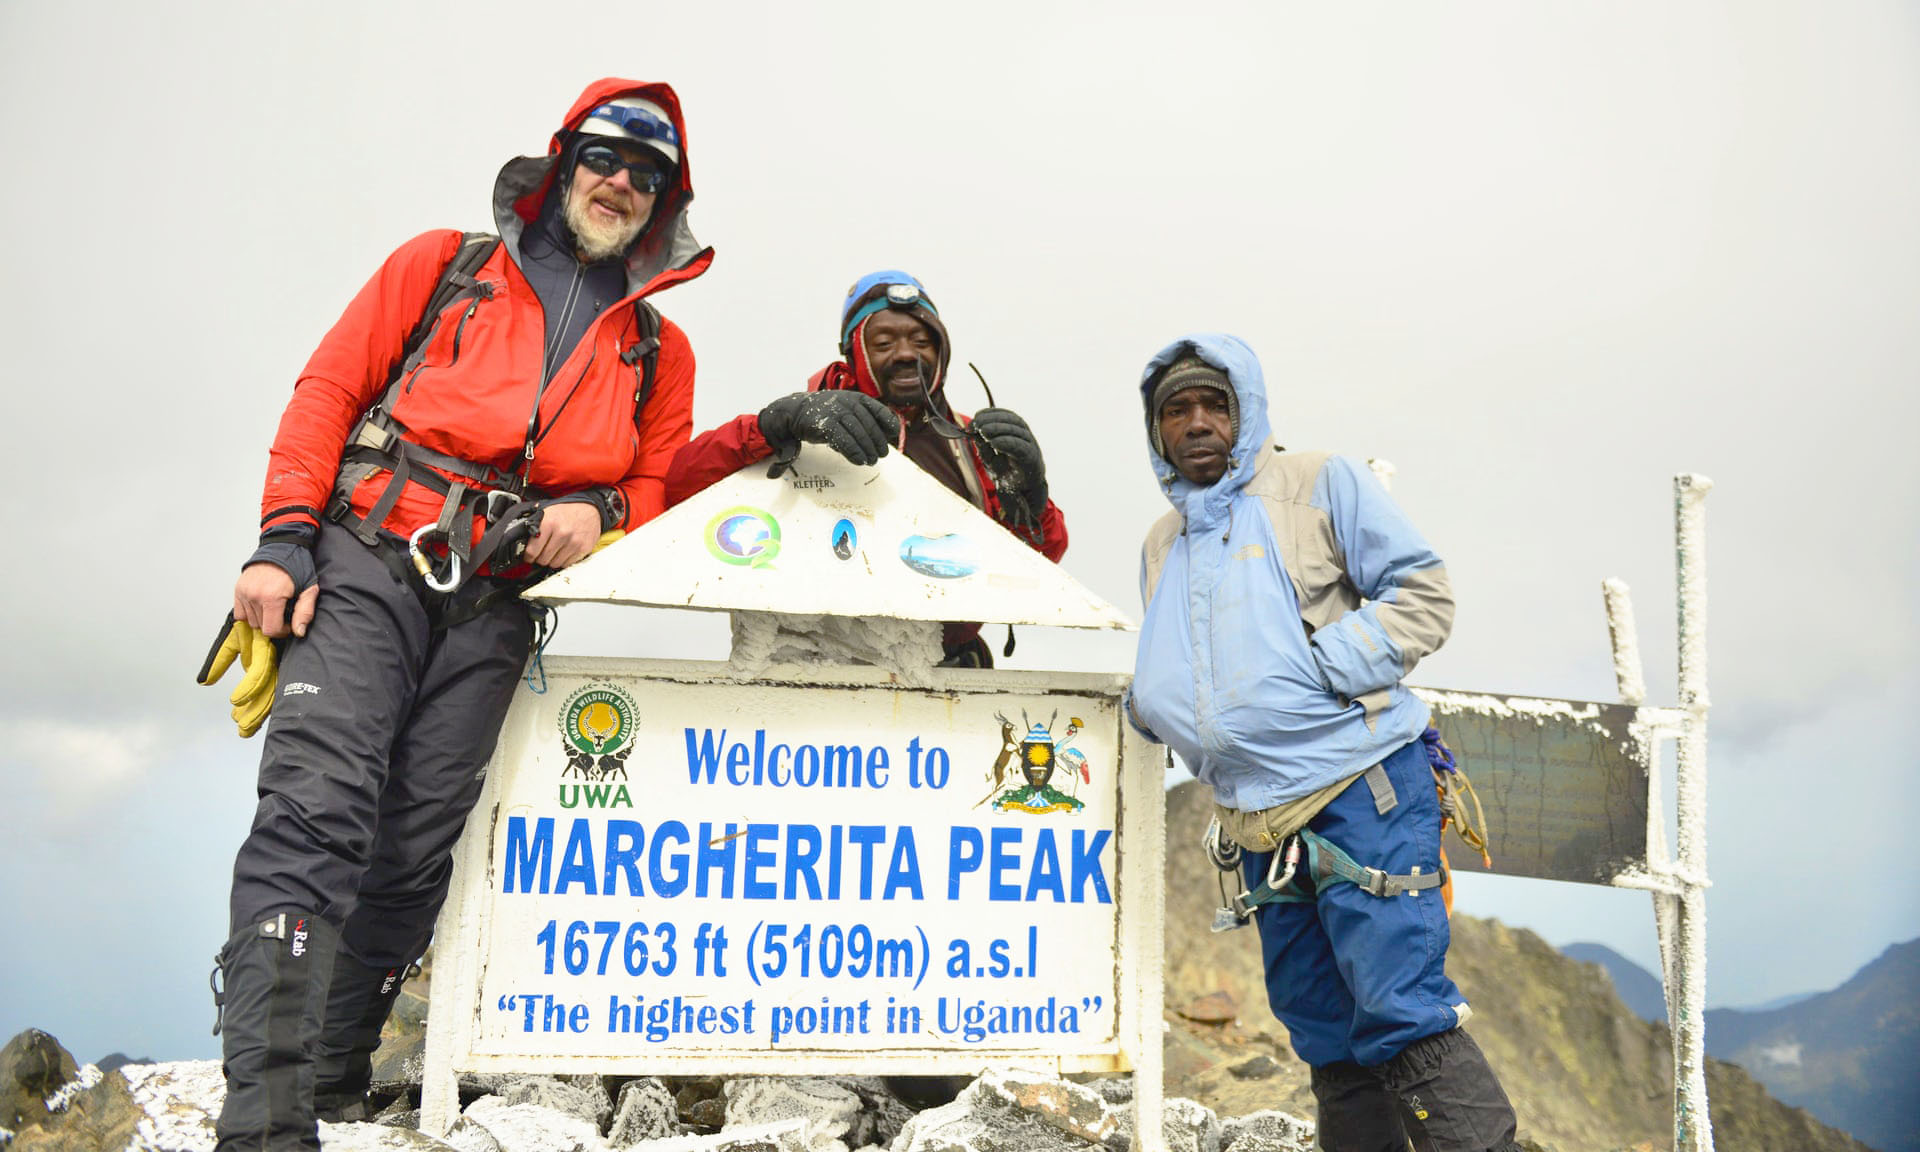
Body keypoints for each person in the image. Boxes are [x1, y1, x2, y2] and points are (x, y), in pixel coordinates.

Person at [199, 79, 711, 1149]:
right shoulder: (442, 266)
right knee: (317, 811)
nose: (620, 182)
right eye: (605, 158)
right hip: (364, 557)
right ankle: (262, 1123)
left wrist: (603, 507)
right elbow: (329, 392)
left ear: (663, 205)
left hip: (496, 604)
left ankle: (334, 1078)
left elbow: (660, 487)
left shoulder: (660, 352)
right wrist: (282, 540)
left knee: (417, 843)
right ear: (563, 161)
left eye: (646, 175)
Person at [1126, 335, 1522, 1152]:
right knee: (1326, 1035)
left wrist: (1321, 669)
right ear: (1156, 430)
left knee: (1401, 1010)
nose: (1197, 422)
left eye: (1214, 405)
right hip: (1259, 826)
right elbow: (1189, 669)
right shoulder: (1162, 541)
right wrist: (1154, 709)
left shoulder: (1316, 484)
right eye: (1177, 410)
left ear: (1245, 414)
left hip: (1361, 785)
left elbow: (1424, 594)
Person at [665, 269, 1066, 666]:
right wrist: (770, 427)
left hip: (947, 675)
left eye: (922, 340)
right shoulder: (803, 426)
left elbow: (1036, 565)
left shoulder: (971, 444)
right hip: (819, 673)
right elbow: (680, 485)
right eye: (884, 342)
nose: (907, 353)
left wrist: (1029, 496)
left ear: (942, 350)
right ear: (853, 352)